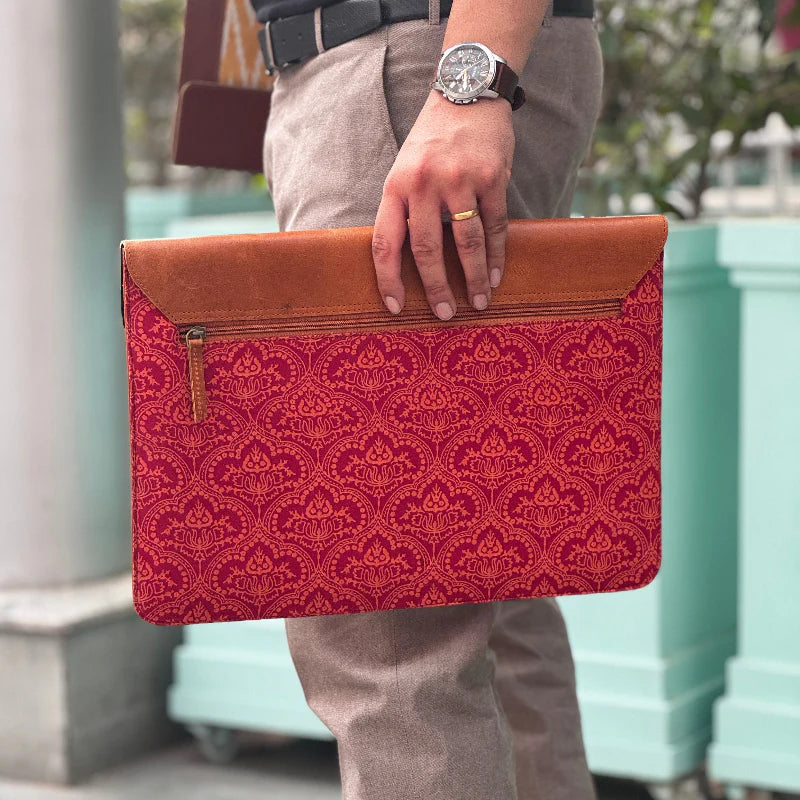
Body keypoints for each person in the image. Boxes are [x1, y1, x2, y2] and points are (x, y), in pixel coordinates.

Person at [253, 0, 603, 797]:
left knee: (387, 624)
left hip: (411, 65)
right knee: (487, 574)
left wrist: (469, 84)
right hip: (398, 63)